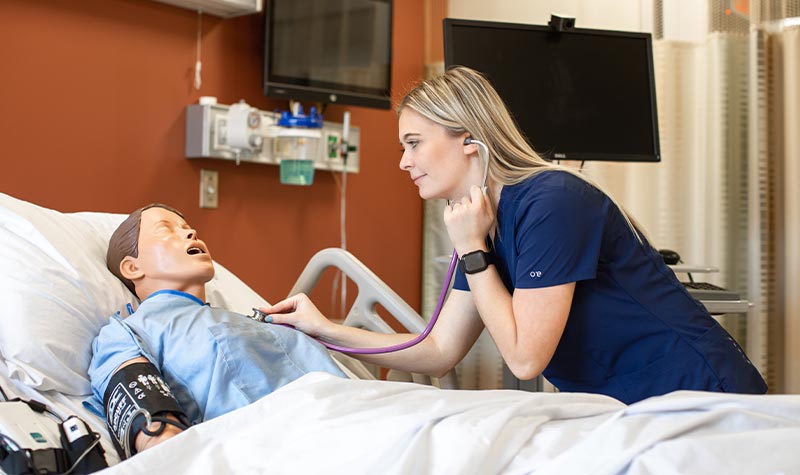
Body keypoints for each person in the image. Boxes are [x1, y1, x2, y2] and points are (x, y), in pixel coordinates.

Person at [262, 66, 767, 405]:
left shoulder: (553, 201)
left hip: (700, 395)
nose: (403, 161)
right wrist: (322, 327)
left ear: (469, 140)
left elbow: (526, 358)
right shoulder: (482, 221)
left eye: (414, 143)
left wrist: (471, 253)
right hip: (631, 408)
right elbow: (439, 351)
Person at [86, 204, 345, 459]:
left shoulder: (252, 321)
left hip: (356, 413)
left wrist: (328, 330)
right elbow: (154, 428)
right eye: (166, 229)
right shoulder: (129, 331)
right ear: (133, 267)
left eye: (187, 228)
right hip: (291, 448)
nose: (191, 233)